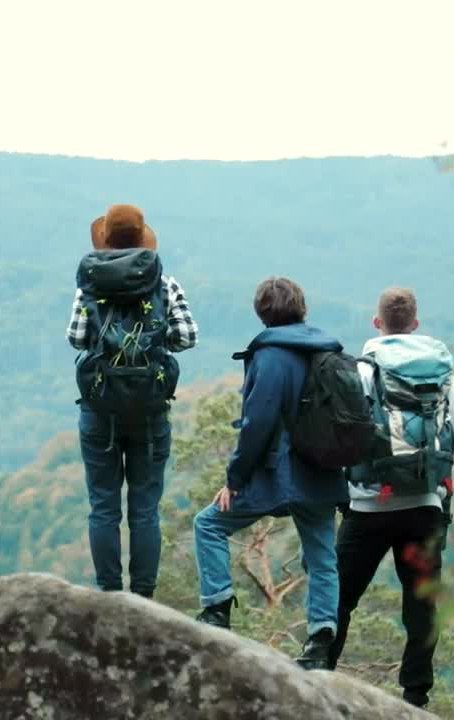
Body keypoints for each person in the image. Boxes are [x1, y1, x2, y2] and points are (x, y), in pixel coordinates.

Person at [325, 286, 454, 709]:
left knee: (340, 597)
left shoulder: (363, 369)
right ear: (416, 324)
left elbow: (344, 439)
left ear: (378, 323)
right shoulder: (441, 371)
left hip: (368, 506)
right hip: (424, 508)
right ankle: (415, 695)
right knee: (422, 605)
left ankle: (319, 677)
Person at [192, 276, 349, 670]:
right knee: (322, 555)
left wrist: (234, 479)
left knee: (208, 525)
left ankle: (217, 610)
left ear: (261, 313)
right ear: (303, 308)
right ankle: (320, 640)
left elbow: (257, 424)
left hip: (279, 473)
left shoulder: (271, 356)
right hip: (323, 471)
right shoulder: (329, 353)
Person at [68, 204, 198, 599]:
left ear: (107, 238)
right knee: (145, 509)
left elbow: (76, 338)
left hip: (100, 407)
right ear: (143, 238)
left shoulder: (89, 283)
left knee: (103, 506)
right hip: (150, 407)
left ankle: (109, 593)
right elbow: (187, 337)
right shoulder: (165, 284)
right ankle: (143, 597)